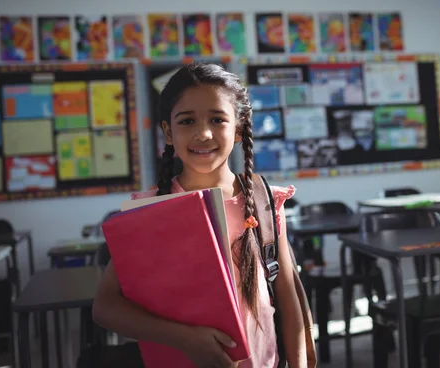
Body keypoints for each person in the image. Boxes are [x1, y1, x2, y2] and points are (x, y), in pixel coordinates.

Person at [92, 63, 306, 368]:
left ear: (239, 127)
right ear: (168, 132)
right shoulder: (152, 211)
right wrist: (185, 338)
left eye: (217, 119)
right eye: (187, 121)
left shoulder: (263, 201)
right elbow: (105, 307)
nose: (203, 133)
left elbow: (287, 295)